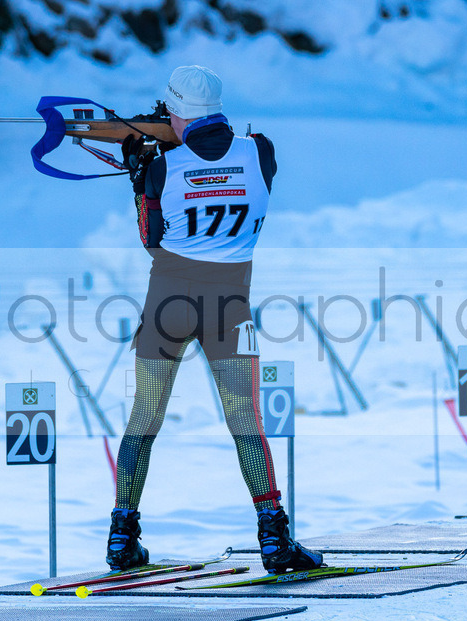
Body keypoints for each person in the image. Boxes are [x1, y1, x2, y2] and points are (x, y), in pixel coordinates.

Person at [106, 65, 324, 575]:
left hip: (167, 304)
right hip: (230, 306)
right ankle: (274, 538)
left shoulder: (165, 167)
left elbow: (150, 238)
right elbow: (225, 153)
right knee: (246, 421)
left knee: (145, 418)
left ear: (175, 112)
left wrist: (140, 175)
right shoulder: (261, 151)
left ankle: (122, 537)